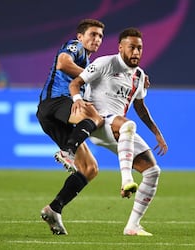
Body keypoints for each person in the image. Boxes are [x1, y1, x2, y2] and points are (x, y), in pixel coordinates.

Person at [68, 27, 168, 236]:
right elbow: (76, 84)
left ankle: (132, 226)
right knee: (128, 125)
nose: (136, 53)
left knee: (152, 171)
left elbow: (140, 107)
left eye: (139, 48)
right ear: (121, 47)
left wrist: (157, 133)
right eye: (132, 47)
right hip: (97, 121)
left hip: (119, 131)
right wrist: (78, 102)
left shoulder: (139, 76)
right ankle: (126, 180)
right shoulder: (105, 63)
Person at [36, 19, 106, 235]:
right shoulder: (74, 47)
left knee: (90, 169)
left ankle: (54, 209)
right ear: (80, 37)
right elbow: (63, 63)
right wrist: (90, 76)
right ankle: (68, 151)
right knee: (96, 117)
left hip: (55, 117)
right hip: (55, 103)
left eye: (100, 36)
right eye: (92, 34)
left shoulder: (88, 63)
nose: (96, 39)